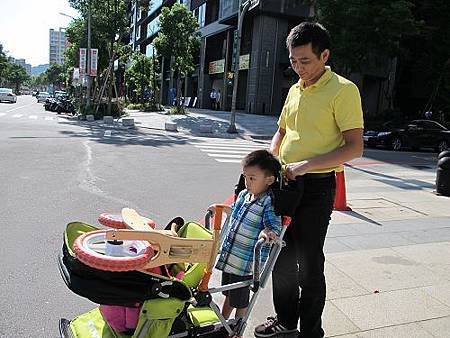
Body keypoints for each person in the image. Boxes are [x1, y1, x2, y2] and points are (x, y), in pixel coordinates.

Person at [254, 22, 364, 338]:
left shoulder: (343, 90)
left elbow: (354, 147)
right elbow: (282, 130)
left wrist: (306, 165)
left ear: (324, 54)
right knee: (282, 257)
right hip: (285, 184)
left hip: (316, 187)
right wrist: (272, 158)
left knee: (310, 262)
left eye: (306, 61)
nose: (299, 68)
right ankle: (286, 320)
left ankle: (311, 331)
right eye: (293, 61)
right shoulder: (294, 89)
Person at [216, 150, 282, 321]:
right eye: (245, 177)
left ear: (269, 180)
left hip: (245, 263)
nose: (247, 182)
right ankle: (224, 322)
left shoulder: (268, 202)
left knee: (241, 300)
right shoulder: (245, 195)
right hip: (231, 256)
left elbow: (274, 225)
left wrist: (268, 232)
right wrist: (222, 209)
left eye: (252, 178)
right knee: (229, 294)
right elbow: (236, 214)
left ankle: (238, 327)